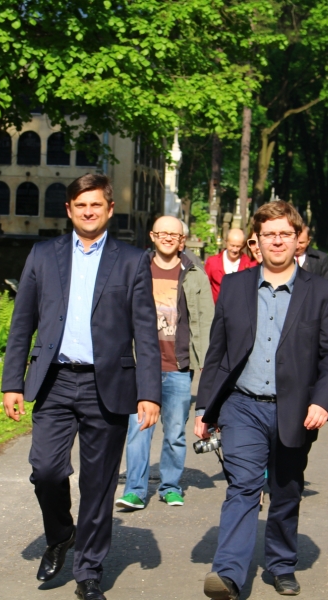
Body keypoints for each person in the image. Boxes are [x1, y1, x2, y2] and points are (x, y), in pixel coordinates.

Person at [1, 174, 161, 600]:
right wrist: (12, 382)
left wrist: (149, 392)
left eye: (96, 205)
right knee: (46, 470)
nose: (88, 212)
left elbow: (145, 332)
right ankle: (60, 533)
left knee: (98, 484)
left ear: (110, 210)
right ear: (69, 210)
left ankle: (88, 570)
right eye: (81, 205)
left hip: (107, 385)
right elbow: (22, 322)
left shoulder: (132, 261)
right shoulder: (43, 255)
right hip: (53, 381)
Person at [195, 201, 328, 599]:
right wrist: (205, 408)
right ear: (256, 242)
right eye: (269, 235)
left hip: (295, 410)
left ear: (298, 240)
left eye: (285, 234)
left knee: (286, 488)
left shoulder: (322, 293)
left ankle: (281, 564)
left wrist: (322, 401)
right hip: (242, 405)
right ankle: (227, 573)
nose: (277, 241)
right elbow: (218, 352)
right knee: (243, 486)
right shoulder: (234, 287)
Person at [115, 216, 214, 510]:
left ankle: (170, 486)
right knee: (138, 430)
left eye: (175, 234)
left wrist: (207, 361)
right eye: (163, 233)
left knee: (174, 433)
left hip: (178, 367)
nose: (168, 238)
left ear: (182, 240)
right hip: (141, 366)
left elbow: (205, 320)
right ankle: (135, 490)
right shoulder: (137, 268)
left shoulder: (194, 274)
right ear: (152, 236)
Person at [204, 227, 255, 302]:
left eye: (238, 246)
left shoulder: (250, 264)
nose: (235, 249)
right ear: (226, 242)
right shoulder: (212, 262)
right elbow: (204, 287)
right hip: (216, 307)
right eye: (232, 245)